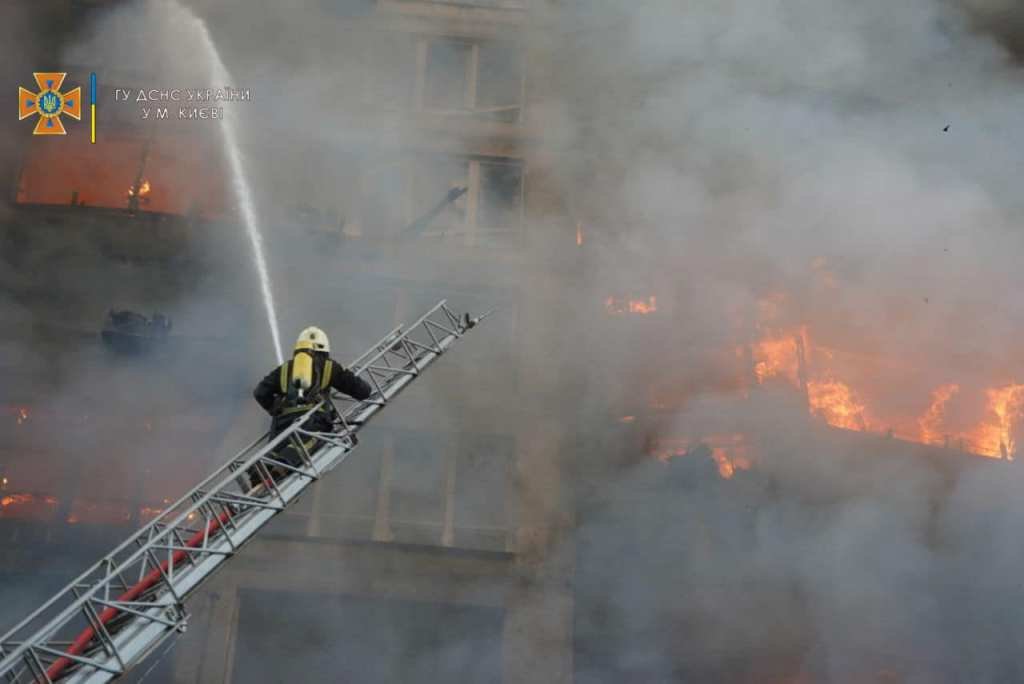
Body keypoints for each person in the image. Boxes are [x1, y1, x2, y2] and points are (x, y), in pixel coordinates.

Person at [250, 326, 372, 486]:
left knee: (276, 447)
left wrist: (275, 408)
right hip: (313, 420)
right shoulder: (329, 366)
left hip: (282, 422)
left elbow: (260, 392)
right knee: (313, 440)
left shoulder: (285, 368)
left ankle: (259, 472)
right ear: (324, 348)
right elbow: (362, 391)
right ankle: (283, 466)